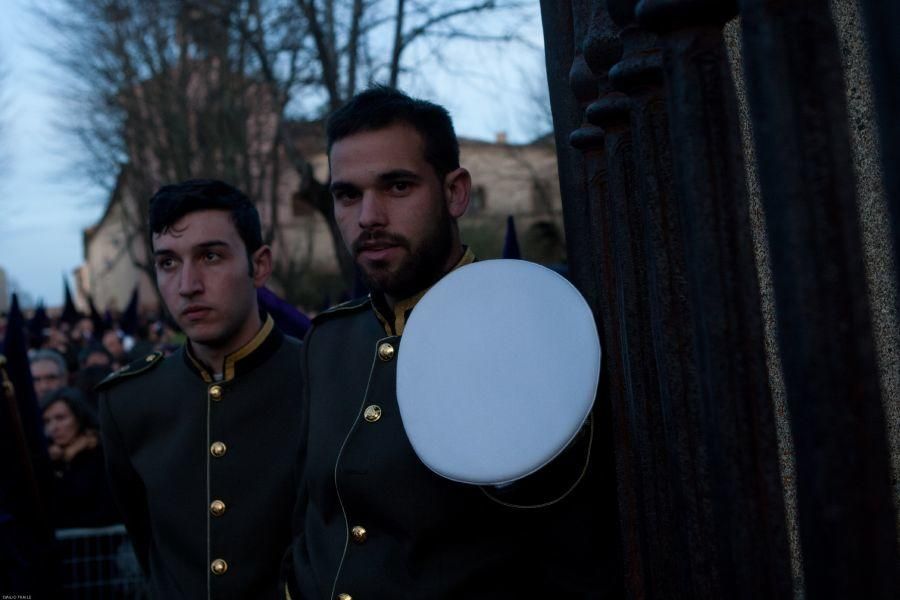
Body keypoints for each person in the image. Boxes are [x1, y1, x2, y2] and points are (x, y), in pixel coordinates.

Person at [283, 87, 622, 599]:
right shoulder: (328, 342)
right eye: (347, 194)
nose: (368, 216)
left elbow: (575, 548)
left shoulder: (532, 329)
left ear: (455, 192)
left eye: (397, 186)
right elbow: (313, 521)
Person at [97, 179, 303, 599]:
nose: (187, 284)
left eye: (210, 256)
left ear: (259, 265)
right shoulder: (129, 402)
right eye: (168, 263)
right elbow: (149, 546)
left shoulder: (322, 377)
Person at [41, 387, 119, 529]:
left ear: (79, 417)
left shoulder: (100, 455)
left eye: (61, 418)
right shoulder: (49, 458)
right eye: (46, 421)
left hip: (97, 545)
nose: (53, 427)